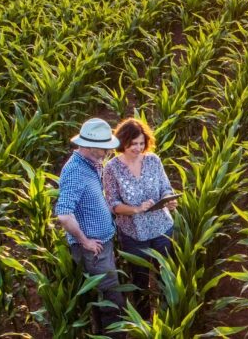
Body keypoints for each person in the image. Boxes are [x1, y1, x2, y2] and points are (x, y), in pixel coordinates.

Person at [54, 118, 126, 337]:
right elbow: (64, 215)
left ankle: (103, 332)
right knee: (112, 299)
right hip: (93, 249)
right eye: (103, 148)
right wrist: (85, 241)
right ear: (87, 145)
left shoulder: (91, 164)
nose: (107, 152)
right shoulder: (76, 171)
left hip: (102, 243)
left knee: (105, 296)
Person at [102, 118, 177, 317]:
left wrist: (169, 199)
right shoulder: (111, 168)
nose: (138, 148)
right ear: (122, 142)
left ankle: (168, 316)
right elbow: (113, 204)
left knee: (167, 275)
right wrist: (136, 209)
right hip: (134, 233)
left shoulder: (153, 160)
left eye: (141, 143)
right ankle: (144, 322)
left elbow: (165, 188)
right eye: (133, 143)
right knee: (140, 281)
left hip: (162, 228)